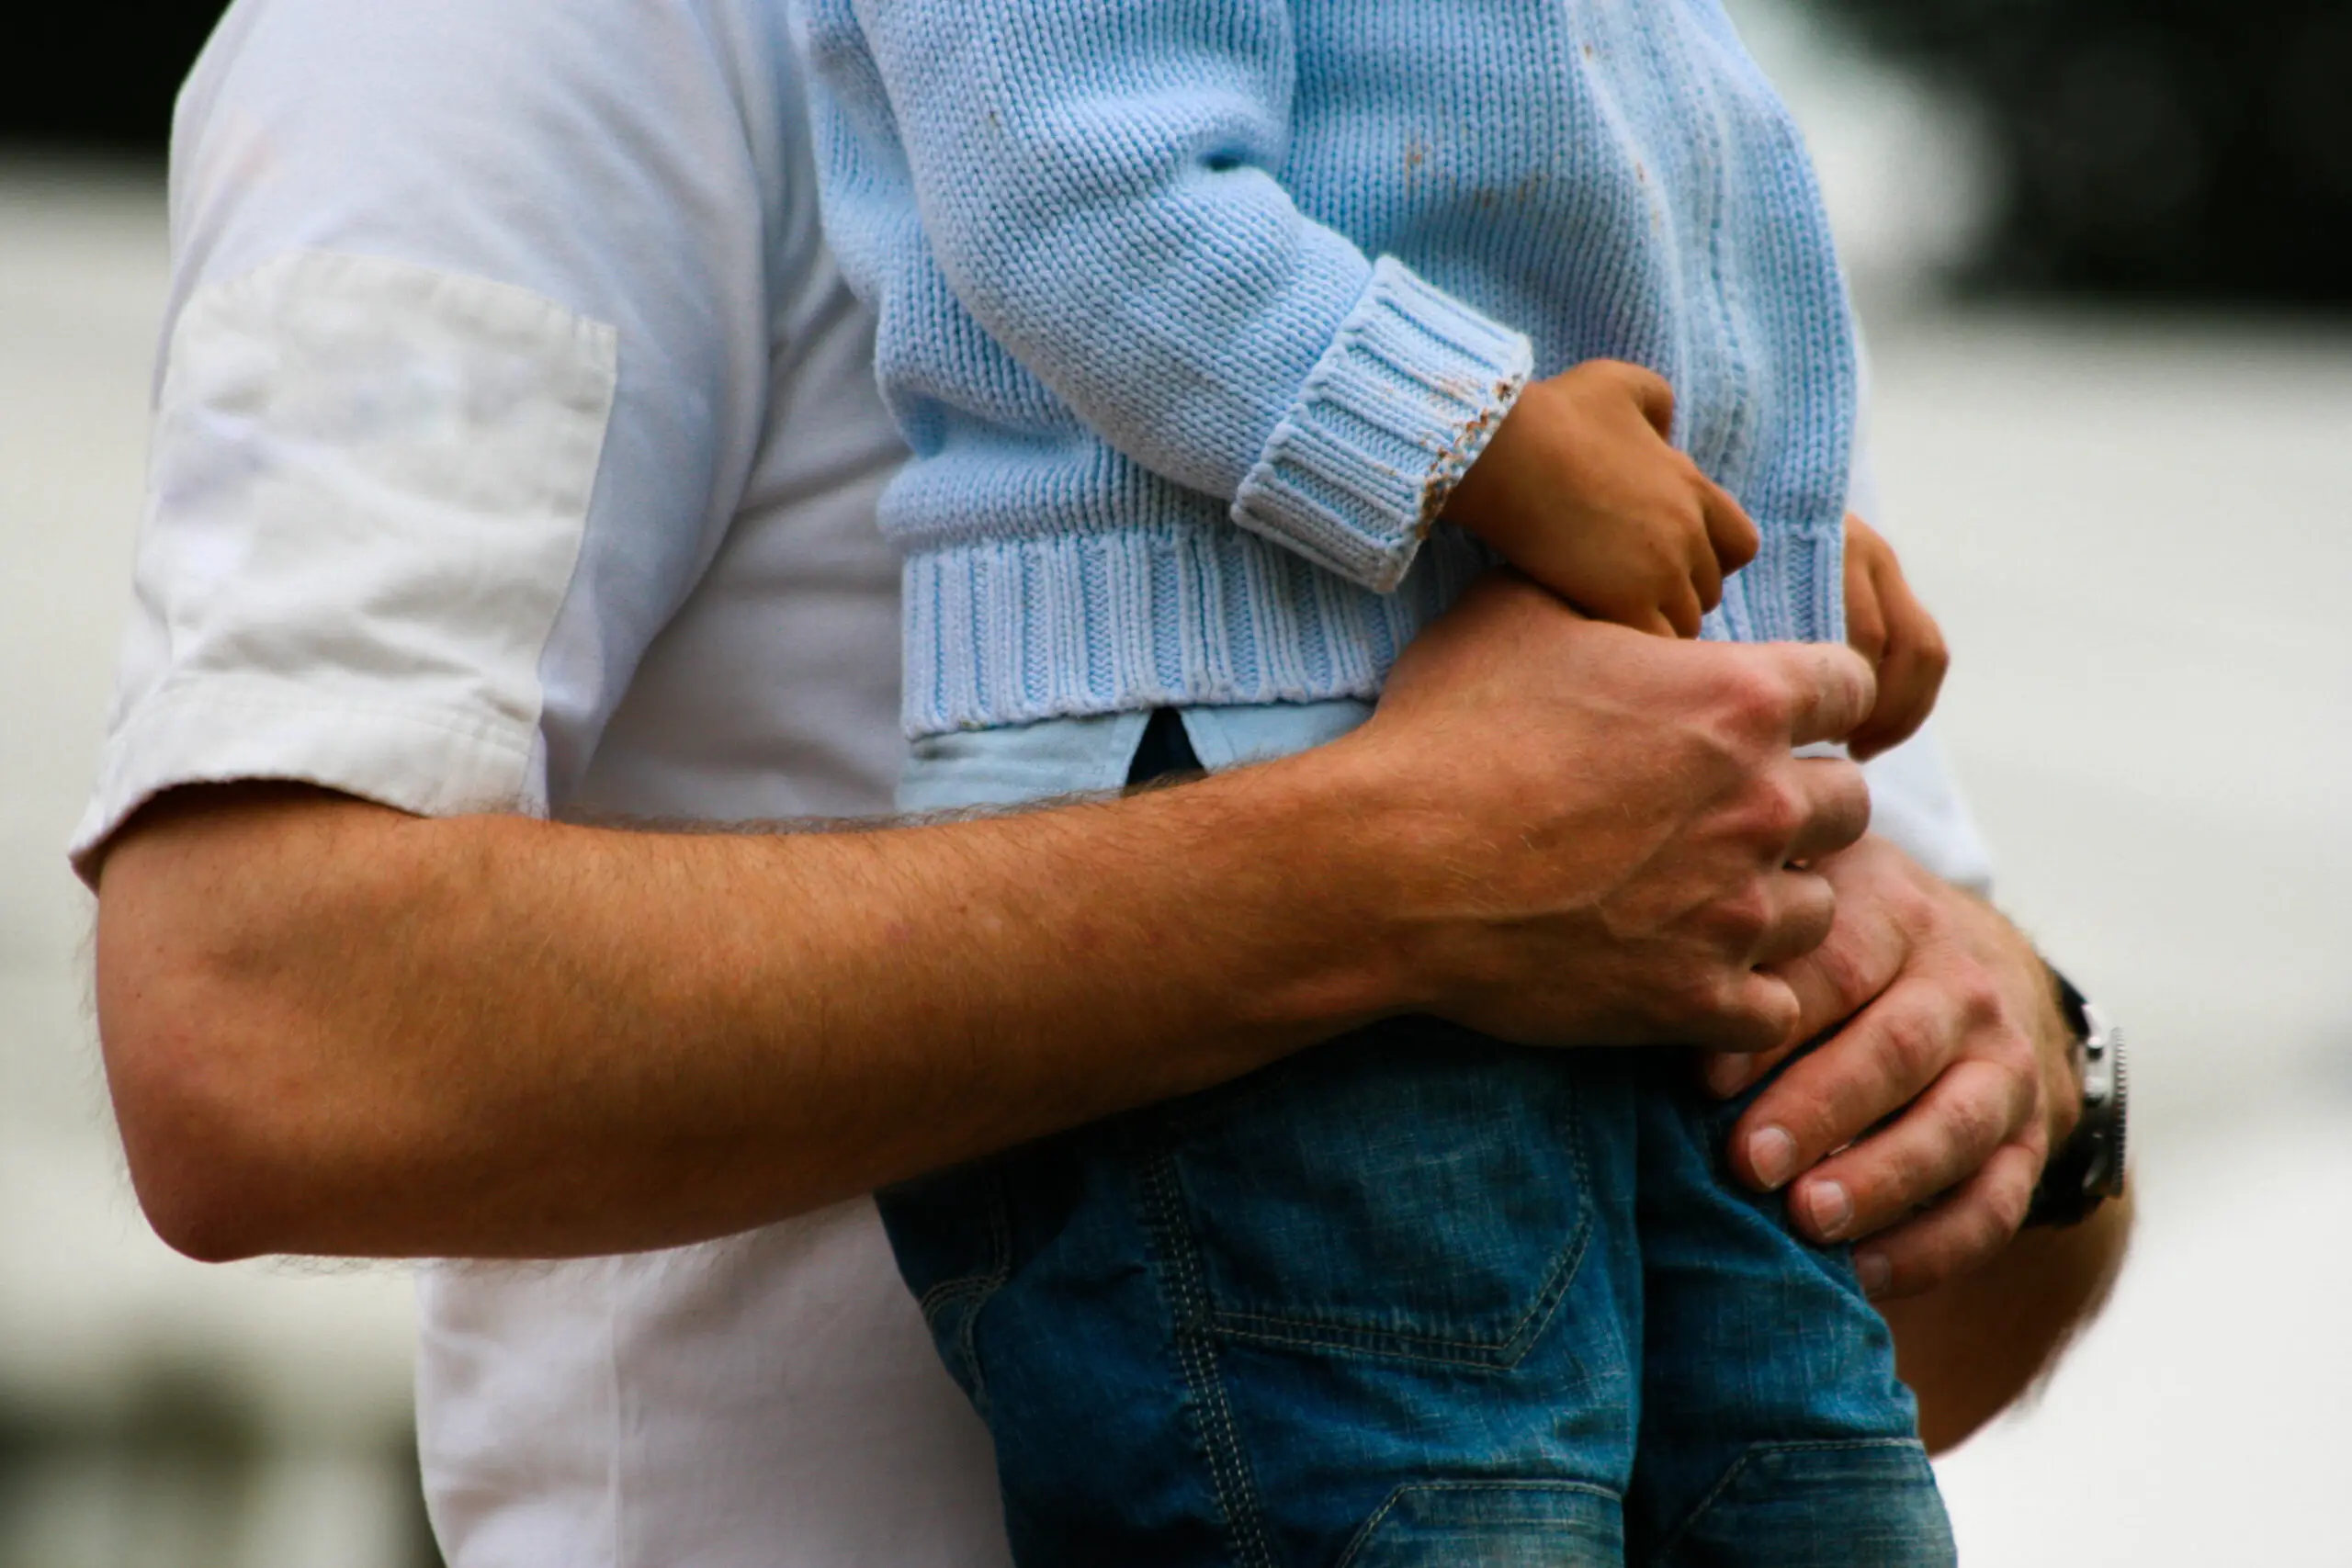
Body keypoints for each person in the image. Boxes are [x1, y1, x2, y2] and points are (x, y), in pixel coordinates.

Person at [77, 2, 2128, 1565]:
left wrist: (2035, 1064)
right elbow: (256, 1030)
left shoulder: (1621, 63)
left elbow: (1940, 1320)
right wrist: (1389, 878)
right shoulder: (486, 40)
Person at [796, 4, 1967, 1562]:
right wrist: (1478, 439)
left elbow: (1606, 170)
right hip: (1229, 771)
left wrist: (1763, 553)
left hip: (1649, 839)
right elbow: (1067, 179)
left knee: (1817, 1507)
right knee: (1452, 1514)